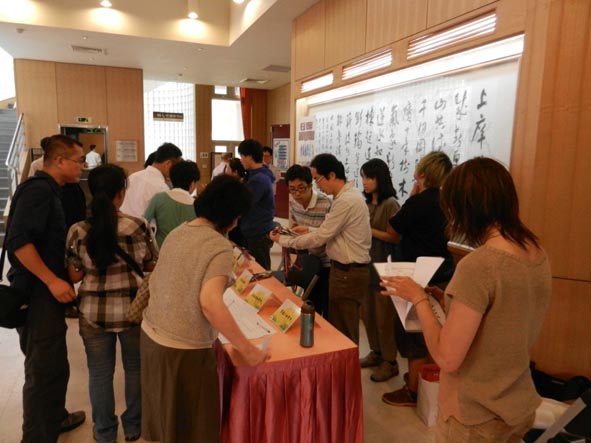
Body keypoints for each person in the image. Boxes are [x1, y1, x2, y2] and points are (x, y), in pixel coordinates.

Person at [381, 157, 552, 443]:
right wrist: (446, 302)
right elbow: (502, 321)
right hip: (517, 402)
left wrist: (419, 298)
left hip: (476, 414)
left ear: (464, 208)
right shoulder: (536, 251)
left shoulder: (480, 264)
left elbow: (446, 357)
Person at [140, 175, 269, 443]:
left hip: (152, 334)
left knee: (166, 418)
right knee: (194, 427)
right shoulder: (218, 246)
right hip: (183, 348)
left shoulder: (179, 231)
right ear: (231, 217)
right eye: (238, 217)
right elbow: (210, 302)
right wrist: (247, 349)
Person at [66, 164, 158, 443]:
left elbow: (74, 275)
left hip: (93, 314)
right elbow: (151, 263)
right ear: (121, 192)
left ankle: (104, 431)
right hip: (134, 312)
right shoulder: (138, 225)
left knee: (99, 374)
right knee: (135, 369)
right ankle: (133, 426)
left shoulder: (78, 230)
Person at [6, 134, 86, 443]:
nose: (82, 166)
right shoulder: (38, 191)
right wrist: (52, 280)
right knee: (43, 371)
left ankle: (55, 419)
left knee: (52, 366)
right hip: (37, 294)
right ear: (60, 160)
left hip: (44, 293)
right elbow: (19, 242)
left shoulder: (51, 190)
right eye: (79, 161)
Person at [270, 153, 371, 344]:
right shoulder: (347, 197)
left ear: (331, 175)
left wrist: (284, 241)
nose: (317, 185)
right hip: (343, 270)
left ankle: (345, 363)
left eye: (317, 179)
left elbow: (322, 237)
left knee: (344, 330)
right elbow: (331, 232)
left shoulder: (345, 201)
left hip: (346, 271)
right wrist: (308, 229)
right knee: (338, 324)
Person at [382, 150, 455, 407]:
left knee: (413, 333)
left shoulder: (419, 201)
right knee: (436, 329)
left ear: (422, 173)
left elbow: (393, 228)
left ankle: (412, 390)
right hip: (443, 272)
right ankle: (427, 381)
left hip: (418, 275)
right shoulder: (447, 201)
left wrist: (412, 197)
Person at [359, 158, 401, 382]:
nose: (365, 182)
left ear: (380, 179)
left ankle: (390, 360)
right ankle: (375, 352)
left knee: (384, 317)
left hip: (384, 265)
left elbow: (395, 237)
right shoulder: (366, 204)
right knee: (368, 313)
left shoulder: (391, 204)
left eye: (369, 177)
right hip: (366, 264)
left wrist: (369, 230)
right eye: (363, 177)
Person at [284, 164, 332, 317]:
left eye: (301, 188)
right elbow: (294, 226)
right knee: (310, 304)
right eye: (292, 189)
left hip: (326, 262)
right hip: (307, 259)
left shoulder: (326, 203)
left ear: (311, 185)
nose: (297, 194)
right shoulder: (293, 202)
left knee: (324, 305)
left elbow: (329, 236)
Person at [144, 160, 200, 248]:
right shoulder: (197, 206)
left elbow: (144, 222)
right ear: (192, 183)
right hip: (187, 250)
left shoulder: (159, 198)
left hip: (161, 249)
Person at [238, 139, 276, 270]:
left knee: (260, 270)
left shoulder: (258, 179)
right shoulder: (257, 174)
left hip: (258, 231)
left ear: (249, 157)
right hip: (256, 229)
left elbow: (244, 204)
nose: (241, 160)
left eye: (242, 156)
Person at [120, 142, 182, 218]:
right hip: (145, 225)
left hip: (125, 222)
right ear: (168, 164)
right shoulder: (161, 187)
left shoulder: (132, 177)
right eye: (175, 167)